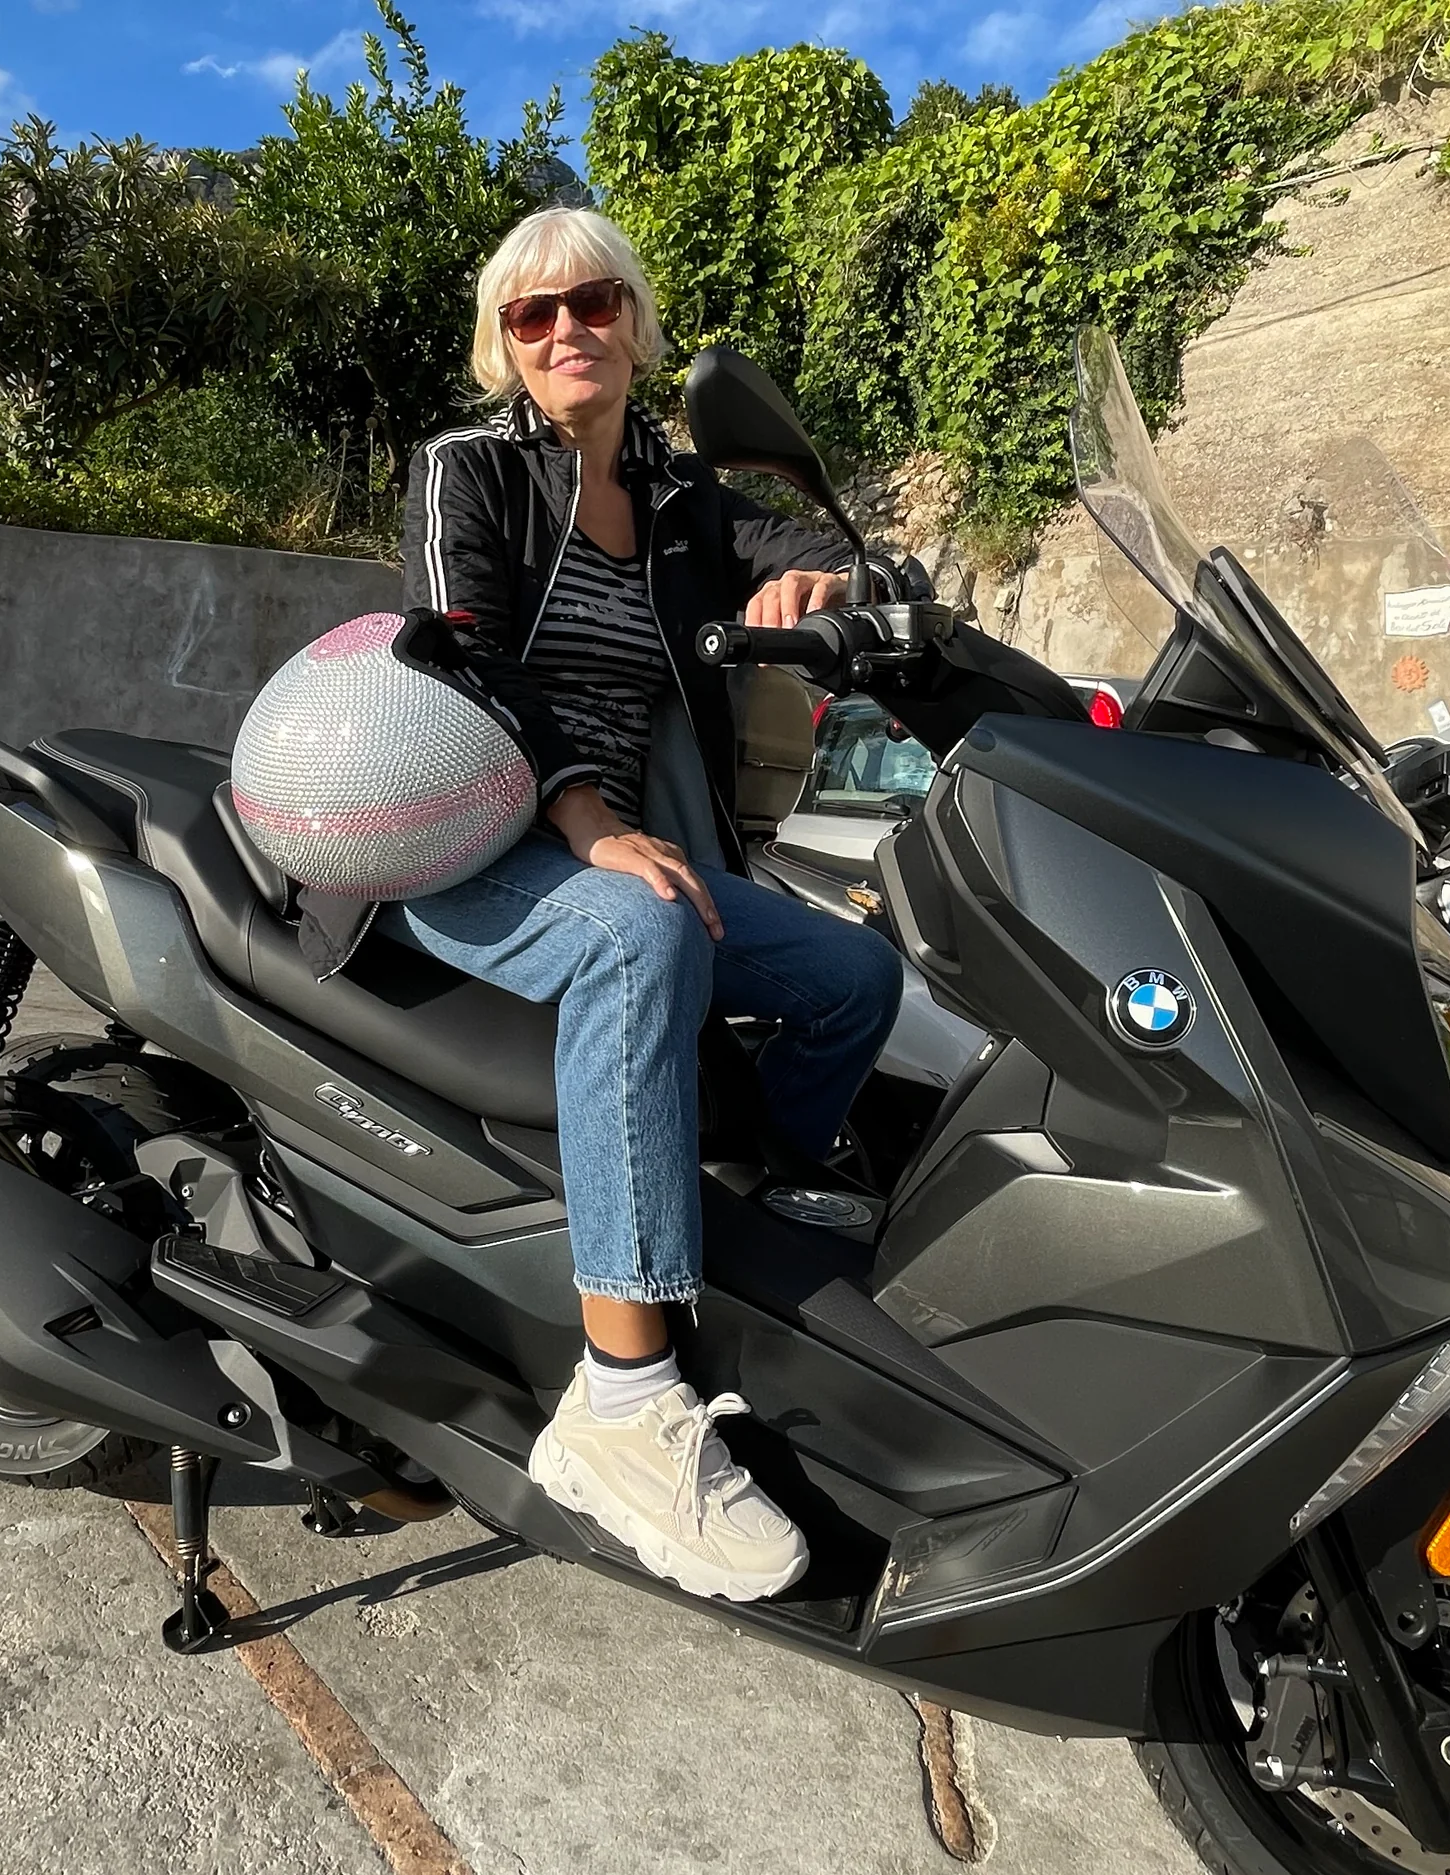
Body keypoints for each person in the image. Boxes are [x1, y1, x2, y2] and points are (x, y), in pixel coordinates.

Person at [387, 207, 904, 1601]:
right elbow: (458, 655)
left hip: (636, 849)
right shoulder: (469, 474)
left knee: (859, 977)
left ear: (635, 323)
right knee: (643, 930)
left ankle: (750, 1205)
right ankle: (621, 1408)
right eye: (532, 315)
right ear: (504, 341)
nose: (566, 332)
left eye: (594, 304)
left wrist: (828, 576)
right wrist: (583, 810)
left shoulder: (680, 501)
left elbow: (800, 536)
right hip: (486, 839)